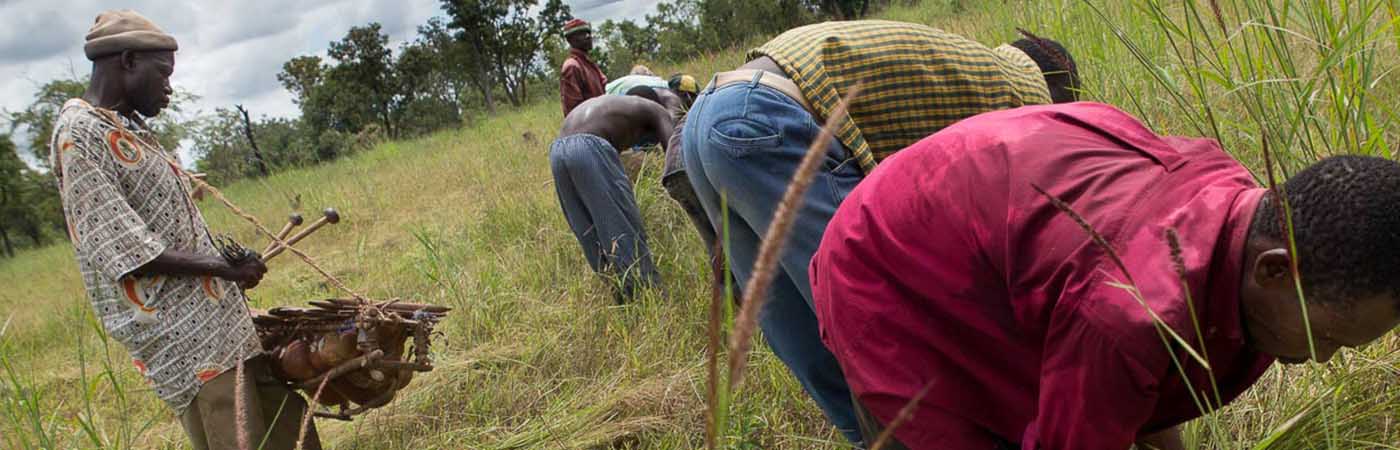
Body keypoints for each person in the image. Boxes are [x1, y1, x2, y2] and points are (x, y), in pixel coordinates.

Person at [810, 102, 1400, 449]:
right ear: (1275, 270)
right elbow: (1120, 369)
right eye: (1328, 337)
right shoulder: (1126, 312)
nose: (1324, 359)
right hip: (888, 265)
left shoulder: (1242, 218)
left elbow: (1145, 387)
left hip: (987, 230)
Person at [679, 20, 1079, 442]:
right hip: (768, 120)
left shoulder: (971, 68)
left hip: (708, 119)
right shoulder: (1026, 97)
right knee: (876, 323)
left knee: (803, 336)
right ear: (1059, 90)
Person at [49, 10, 319, 450]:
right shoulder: (79, 135)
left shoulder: (127, 130)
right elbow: (122, 248)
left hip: (221, 326)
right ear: (129, 61)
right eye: (164, 75)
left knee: (290, 432)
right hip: (185, 344)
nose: (170, 89)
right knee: (238, 438)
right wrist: (223, 267)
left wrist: (224, 272)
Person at [549, 88, 678, 301]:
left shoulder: (614, 106)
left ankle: (621, 297)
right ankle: (649, 299)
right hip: (590, 147)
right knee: (622, 228)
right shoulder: (657, 110)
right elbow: (675, 158)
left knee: (591, 233)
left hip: (557, 151)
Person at [559, 18, 606, 116]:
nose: (588, 36)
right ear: (570, 40)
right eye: (581, 34)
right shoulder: (572, 66)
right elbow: (573, 110)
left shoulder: (589, 64)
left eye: (588, 33)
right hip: (587, 126)